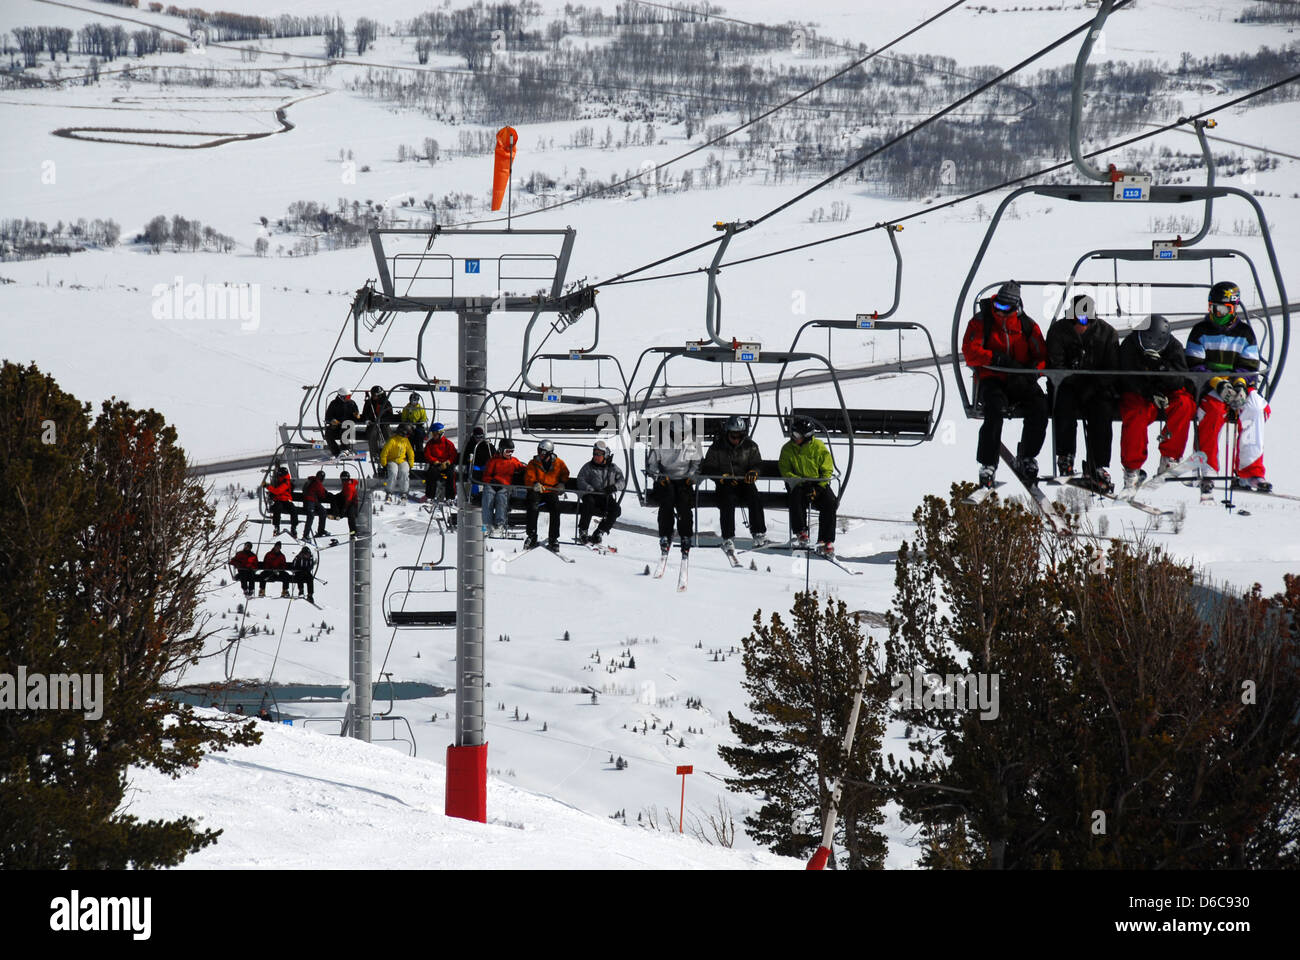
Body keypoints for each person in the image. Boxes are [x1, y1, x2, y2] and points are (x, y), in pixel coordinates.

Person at [961, 280, 1049, 487]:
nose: (999, 312)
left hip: (1020, 380)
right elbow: (970, 352)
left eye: (1005, 308)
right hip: (992, 379)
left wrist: (1033, 372)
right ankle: (988, 464)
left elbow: (1042, 355)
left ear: (1016, 307)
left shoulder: (1027, 326)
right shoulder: (982, 322)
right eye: (997, 306)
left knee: (1039, 407)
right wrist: (995, 359)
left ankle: (1027, 456)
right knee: (994, 409)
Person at [1186, 281, 1272, 493]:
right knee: (1212, 413)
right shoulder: (1200, 331)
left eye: (1223, 309)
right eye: (1214, 308)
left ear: (1233, 309)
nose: (1218, 313)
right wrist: (1217, 382)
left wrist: (1241, 385)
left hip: (1237, 385)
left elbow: (1249, 365)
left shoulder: (1244, 333)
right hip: (1210, 387)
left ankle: (1250, 472)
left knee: (1255, 409)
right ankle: (1207, 470)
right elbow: (1195, 364)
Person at [1045, 294, 1120, 492]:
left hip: (1097, 387)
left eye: (1086, 320)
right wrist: (1074, 374)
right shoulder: (1058, 332)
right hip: (1067, 385)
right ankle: (1065, 455)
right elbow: (1056, 365)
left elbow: (1113, 369)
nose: (1081, 325)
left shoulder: (1107, 334)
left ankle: (1098, 464)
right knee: (1064, 406)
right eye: (1077, 320)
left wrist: (1095, 384)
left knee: (1102, 411)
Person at [1118, 314, 1195, 489]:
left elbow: (1180, 378)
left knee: (1184, 404)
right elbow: (1126, 377)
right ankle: (1132, 468)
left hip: (1167, 395)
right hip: (1140, 394)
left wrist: (1162, 368)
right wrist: (1150, 393)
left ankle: (1170, 457)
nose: (1151, 347)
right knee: (1135, 414)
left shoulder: (1174, 347)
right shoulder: (1130, 346)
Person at [700, 415, 769, 551]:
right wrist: (721, 477)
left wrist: (754, 472)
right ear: (727, 433)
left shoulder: (750, 446)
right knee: (727, 500)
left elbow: (757, 464)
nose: (736, 439)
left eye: (739, 436)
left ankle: (758, 533)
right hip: (725, 484)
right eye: (733, 436)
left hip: (745, 482)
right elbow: (708, 466)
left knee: (754, 497)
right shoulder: (717, 447)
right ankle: (728, 537)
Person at [779, 416, 838, 556]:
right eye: (792, 434)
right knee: (796, 496)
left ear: (807, 436)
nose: (793, 437)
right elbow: (785, 470)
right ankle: (801, 531)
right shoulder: (788, 449)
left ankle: (826, 540)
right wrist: (802, 482)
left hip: (818, 484)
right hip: (798, 484)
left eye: (797, 435)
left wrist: (818, 487)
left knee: (830, 502)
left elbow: (827, 469)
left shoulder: (818, 447)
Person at [646, 420, 700, 557]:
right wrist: (659, 477)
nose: (683, 437)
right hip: (665, 480)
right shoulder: (660, 442)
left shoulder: (692, 442)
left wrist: (691, 476)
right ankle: (665, 535)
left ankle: (685, 536)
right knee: (667, 502)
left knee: (684, 504)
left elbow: (697, 463)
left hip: (684, 480)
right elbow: (652, 464)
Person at [575, 440, 625, 545]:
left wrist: (613, 487)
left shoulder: (612, 468)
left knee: (616, 510)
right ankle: (583, 530)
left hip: (605, 496)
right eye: (594, 453)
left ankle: (600, 531)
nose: (596, 456)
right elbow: (580, 479)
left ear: (605, 455)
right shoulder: (588, 467)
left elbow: (622, 481)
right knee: (589, 503)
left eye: (599, 454)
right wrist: (589, 488)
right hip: (591, 495)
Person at [523, 439, 570, 551]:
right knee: (533, 505)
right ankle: (532, 535)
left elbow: (565, 473)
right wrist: (534, 483)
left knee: (556, 507)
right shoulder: (533, 463)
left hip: (550, 491)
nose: (540, 454)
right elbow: (528, 476)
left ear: (549, 453)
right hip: (537, 490)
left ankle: (553, 538)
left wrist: (562, 483)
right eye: (539, 451)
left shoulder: (559, 463)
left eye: (543, 452)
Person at [481, 438, 526, 535]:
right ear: (501, 450)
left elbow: (522, 468)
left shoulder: (513, 461)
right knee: (488, 498)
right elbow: (486, 476)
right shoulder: (493, 461)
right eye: (507, 451)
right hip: (492, 485)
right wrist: (491, 481)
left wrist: (528, 469)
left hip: (504, 486)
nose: (509, 454)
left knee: (501, 498)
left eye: (511, 451)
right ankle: (486, 525)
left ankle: (499, 524)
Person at [380, 423, 415, 503]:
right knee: (393, 472)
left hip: (402, 460)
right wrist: (384, 463)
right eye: (407, 434)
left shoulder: (405, 441)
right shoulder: (392, 440)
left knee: (404, 472)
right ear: (403, 432)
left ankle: (404, 493)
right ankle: (389, 492)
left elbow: (410, 452)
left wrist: (411, 463)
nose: (408, 436)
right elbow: (384, 452)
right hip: (392, 460)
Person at [423, 422, 458, 501]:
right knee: (431, 474)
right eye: (433, 434)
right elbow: (427, 454)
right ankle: (430, 496)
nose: (433, 436)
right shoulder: (430, 444)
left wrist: (448, 462)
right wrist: (434, 461)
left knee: (451, 474)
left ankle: (450, 497)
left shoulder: (448, 443)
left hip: (446, 464)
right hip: (436, 464)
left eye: (435, 434)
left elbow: (453, 454)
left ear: (441, 434)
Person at [361, 385, 394, 466]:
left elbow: (390, 415)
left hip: (383, 423)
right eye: (373, 395)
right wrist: (367, 419)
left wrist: (382, 420)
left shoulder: (386, 403)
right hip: (373, 423)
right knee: (372, 433)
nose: (373, 397)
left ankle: (392, 451)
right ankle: (375, 454)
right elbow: (365, 413)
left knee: (387, 433)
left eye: (375, 395)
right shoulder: (369, 403)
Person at [262, 466, 297, 538]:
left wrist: (267, 486)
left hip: (285, 500)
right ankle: (276, 526)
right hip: (279, 500)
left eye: (279, 474)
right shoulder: (280, 480)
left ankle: (293, 527)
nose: (278, 475)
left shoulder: (286, 482)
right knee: (277, 508)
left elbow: (278, 491)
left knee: (293, 510)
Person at [323, 389, 359, 457]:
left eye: (349, 397)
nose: (349, 398)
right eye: (347, 397)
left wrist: (356, 415)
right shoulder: (333, 404)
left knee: (346, 427)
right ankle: (336, 452)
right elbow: (328, 417)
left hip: (348, 425)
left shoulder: (352, 403)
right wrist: (332, 420)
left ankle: (345, 449)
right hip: (337, 425)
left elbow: (357, 416)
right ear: (341, 397)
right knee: (328, 434)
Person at [300, 470, 330, 541]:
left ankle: (320, 531)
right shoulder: (317, 483)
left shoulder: (312, 480)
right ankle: (306, 535)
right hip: (310, 502)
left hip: (310, 501)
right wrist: (325, 493)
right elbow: (322, 495)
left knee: (322, 511)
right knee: (311, 516)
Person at [331, 469, 360, 536]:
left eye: (343, 480)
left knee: (350, 516)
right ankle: (337, 514)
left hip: (352, 503)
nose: (342, 481)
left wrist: (344, 510)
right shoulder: (347, 484)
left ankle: (353, 532)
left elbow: (348, 500)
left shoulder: (349, 487)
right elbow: (344, 493)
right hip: (347, 501)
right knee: (334, 499)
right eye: (342, 480)